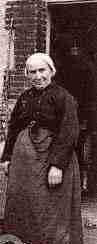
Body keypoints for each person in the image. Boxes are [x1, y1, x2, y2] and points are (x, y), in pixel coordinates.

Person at [1, 53, 82, 244]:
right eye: (32, 72)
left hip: (52, 160)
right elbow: (14, 127)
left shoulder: (64, 97)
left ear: (51, 71)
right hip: (24, 164)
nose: (38, 76)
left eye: (42, 70)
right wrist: (7, 157)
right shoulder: (25, 97)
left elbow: (69, 132)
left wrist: (57, 166)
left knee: (50, 210)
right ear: (27, 74)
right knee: (25, 205)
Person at [57, 45, 97, 195]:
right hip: (72, 115)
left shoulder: (88, 70)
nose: (74, 52)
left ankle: (81, 185)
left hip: (83, 115)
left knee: (82, 152)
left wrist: (85, 119)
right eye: (72, 49)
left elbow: (90, 95)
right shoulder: (64, 70)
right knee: (75, 151)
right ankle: (76, 185)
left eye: (77, 49)